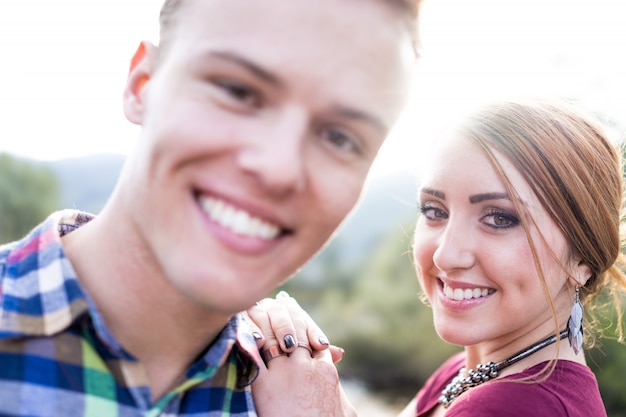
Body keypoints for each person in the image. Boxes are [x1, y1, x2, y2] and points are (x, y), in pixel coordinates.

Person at [0, 0, 420, 415]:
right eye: (238, 91)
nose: (279, 169)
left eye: (342, 138)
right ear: (142, 84)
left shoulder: (309, 401)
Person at [247, 97, 626, 416]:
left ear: (582, 259)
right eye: (434, 211)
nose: (446, 254)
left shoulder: (514, 406)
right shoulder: (468, 373)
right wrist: (302, 358)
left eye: (499, 218)